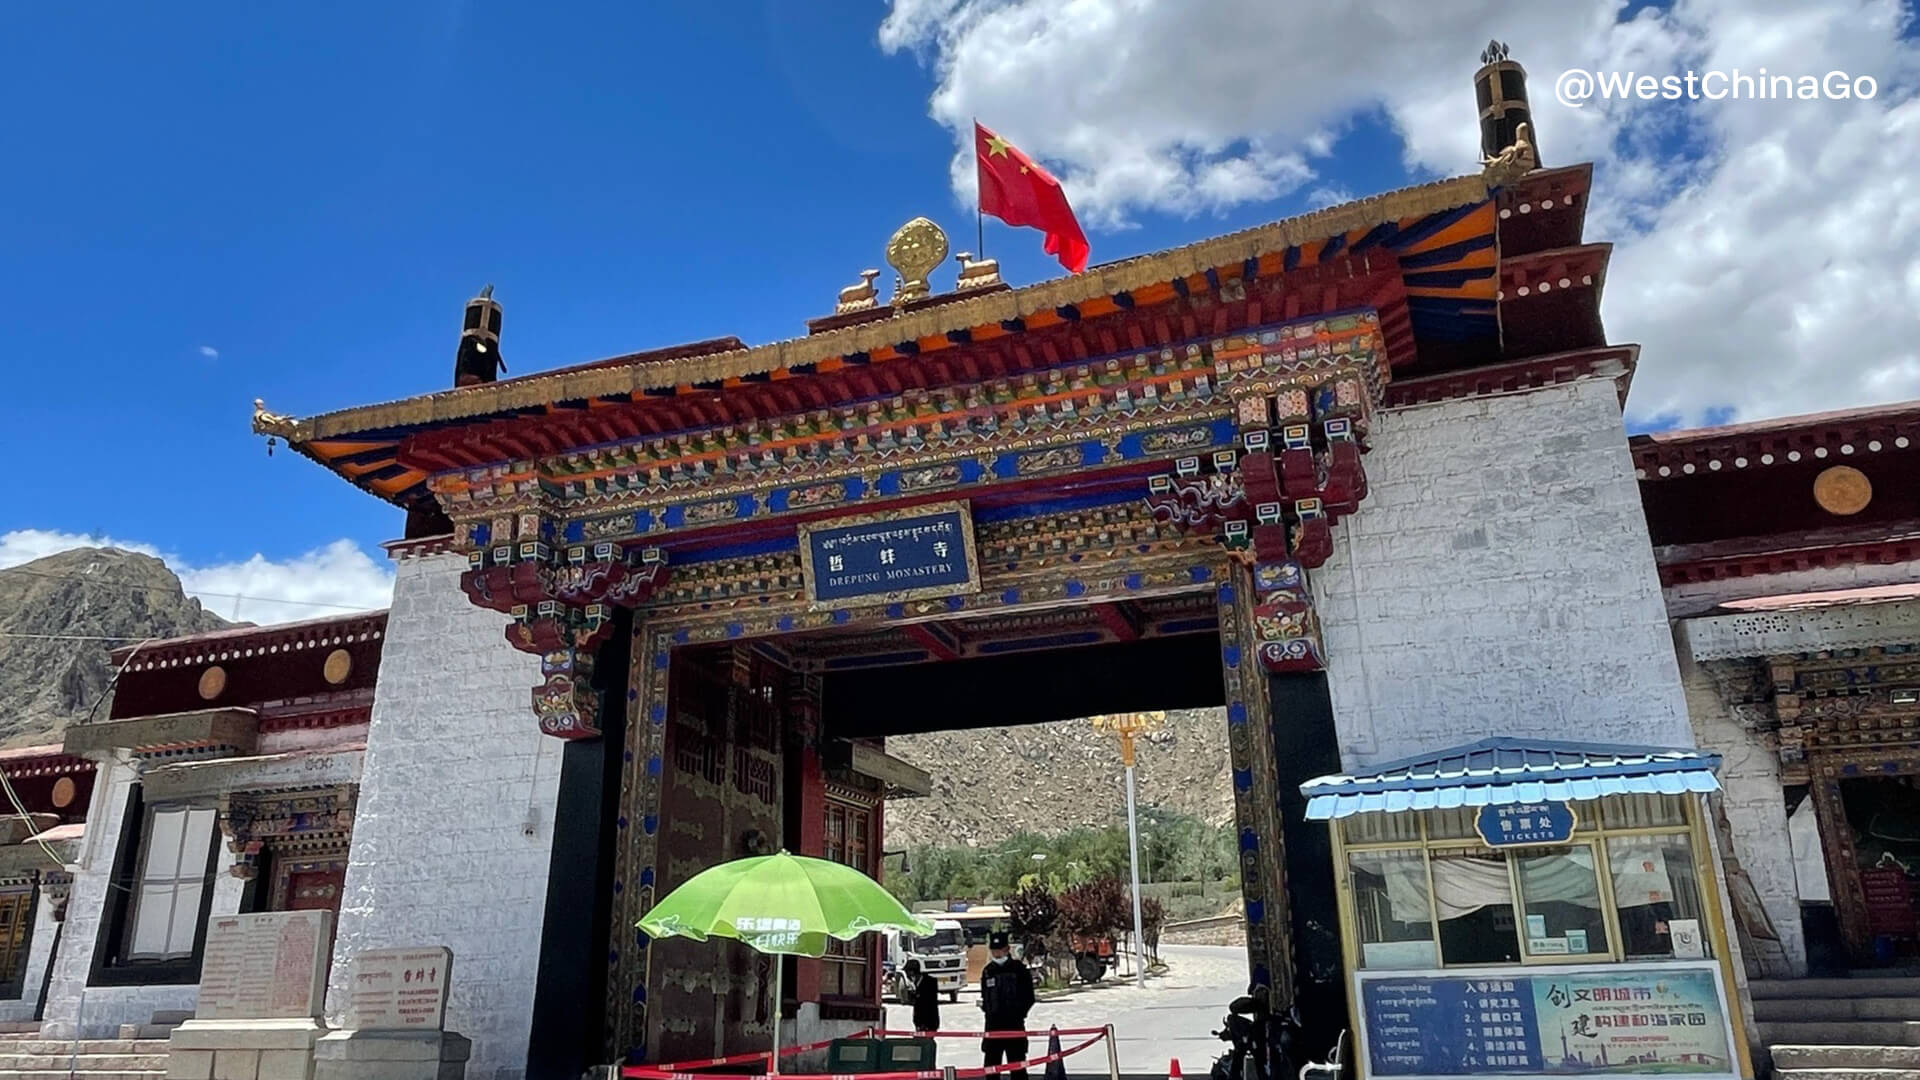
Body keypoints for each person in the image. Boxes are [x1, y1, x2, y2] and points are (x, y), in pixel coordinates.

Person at [979, 931, 1037, 1080]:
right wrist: (988, 1009)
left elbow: (1029, 997)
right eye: (994, 950)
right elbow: (986, 997)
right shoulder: (988, 971)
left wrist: (1018, 1014)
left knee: (1018, 1069)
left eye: (1000, 950)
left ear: (1007, 949)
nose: (997, 954)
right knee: (991, 1069)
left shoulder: (1019, 970)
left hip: (1014, 1027)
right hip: (993, 1028)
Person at [904, 958, 940, 1035]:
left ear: (912, 972)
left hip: (928, 1023)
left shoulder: (930, 983)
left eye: (908, 973)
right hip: (919, 1024)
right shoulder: (915, 984)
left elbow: (928, 1004)